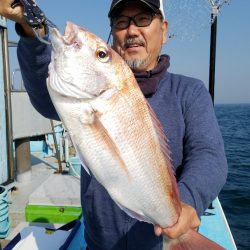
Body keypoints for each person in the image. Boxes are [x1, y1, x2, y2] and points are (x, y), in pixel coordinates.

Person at [0, 0, 228, 249]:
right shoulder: (80, 98)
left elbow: (209, 156)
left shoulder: (189, 92)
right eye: (121, 22)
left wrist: (184, 204)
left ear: (163, 29)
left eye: (143, 19)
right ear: (113, 33)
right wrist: (31, 27)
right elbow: (45, 99)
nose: (131, 31)